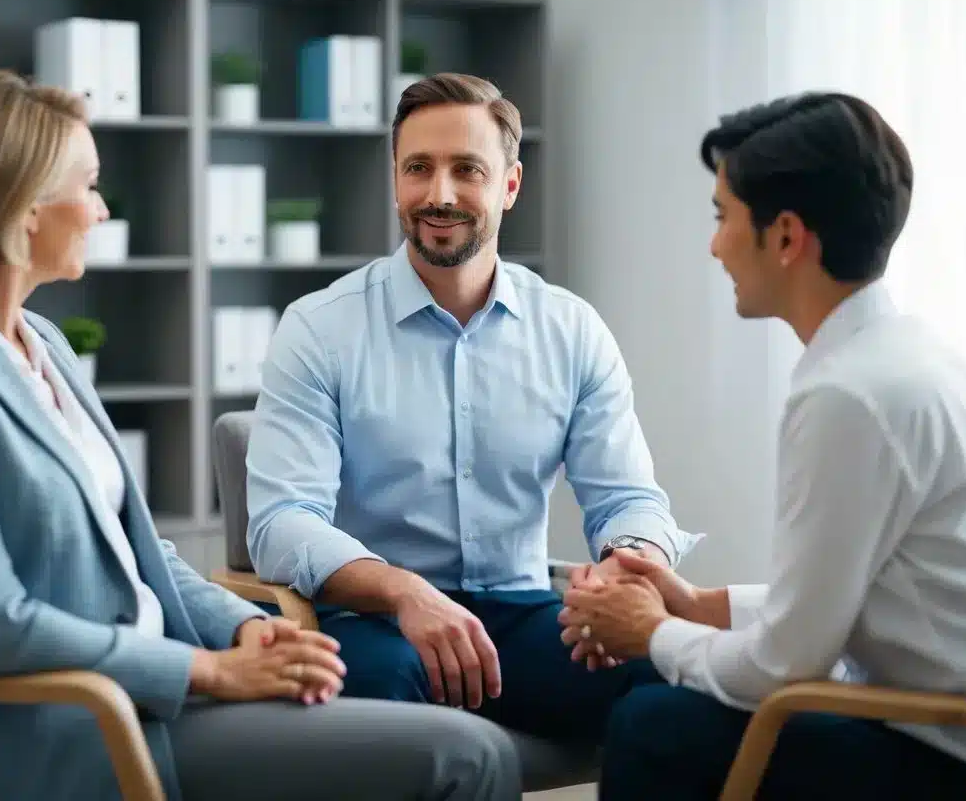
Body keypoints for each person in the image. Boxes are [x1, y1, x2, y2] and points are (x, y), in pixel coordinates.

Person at [0, 70, 524, 801]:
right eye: (90, 184)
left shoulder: (40, 342)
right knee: (467, 757)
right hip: (67, 728)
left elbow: (137, 553)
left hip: (154, 700)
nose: (100, 211)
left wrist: (241, 628)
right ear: (23, 203)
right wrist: (210, 672)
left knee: (450, 743)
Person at [244, 71, 702, 745]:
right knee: (378, 693)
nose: (439, 194)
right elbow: (282, 522)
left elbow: (628, 498)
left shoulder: (570, 329)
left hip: (523, 615)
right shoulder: (319, 329)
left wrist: (626, 561)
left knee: (674, 677)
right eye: (417, 169)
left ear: (509, 185)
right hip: (378, 622)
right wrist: (403, 592)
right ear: (394, 179)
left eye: (467, 169)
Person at [560, 92, 966, 799]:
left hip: (948, 753)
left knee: (653, 724)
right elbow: (842, 600)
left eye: (723, 217)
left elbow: (785, 667)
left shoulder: (847, 396)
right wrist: (694, 602)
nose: (714, 244)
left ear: (785, 237)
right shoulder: (911, 356)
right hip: (947, 722)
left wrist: (648, 630)